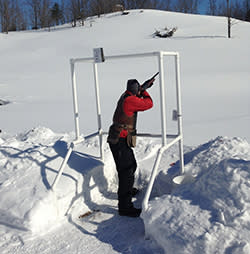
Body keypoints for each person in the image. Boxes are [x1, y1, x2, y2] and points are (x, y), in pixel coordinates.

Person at [107, 77, 154, 217]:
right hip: (120, 141)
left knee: (130, 167)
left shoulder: (126, 95)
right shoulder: (130, 100)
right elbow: (149, 104)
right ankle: (125, 207)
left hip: (119, 139)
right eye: (138, 88)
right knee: (126, 172)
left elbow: (136, 98)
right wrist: (145, 92)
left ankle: (127, 190)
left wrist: (143, 88)